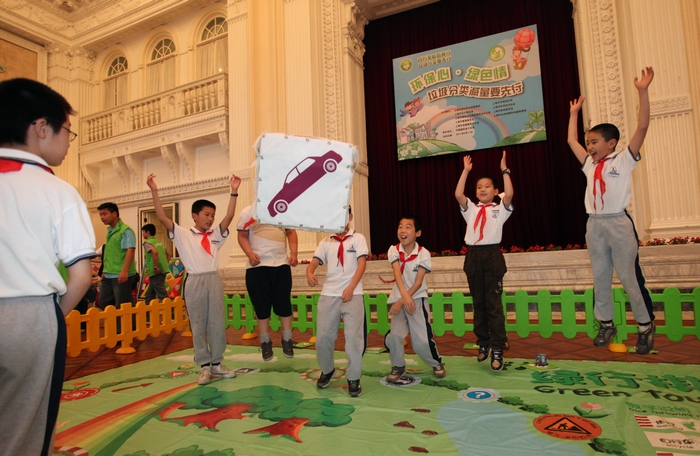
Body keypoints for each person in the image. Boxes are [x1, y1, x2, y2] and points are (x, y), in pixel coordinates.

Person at [0, 78, 96, 456]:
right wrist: (53, 315)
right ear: (41, 128)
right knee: (24, 428)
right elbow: (81, 276)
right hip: (28, 317)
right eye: (67, 130)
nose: (69, 141)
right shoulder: (58, 191)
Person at [568, 67, 656, 354]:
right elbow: (571, 141)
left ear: (611, 143)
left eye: (594, 142)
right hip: (594, 224)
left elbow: (642, 127)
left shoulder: (624, 160)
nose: (589, 146)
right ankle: (606, 324)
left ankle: (645, 326)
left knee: (629, 278)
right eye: (588, 142)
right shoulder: (589, 165)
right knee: (601, 277)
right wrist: (573, 114)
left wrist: (643, 91)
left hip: (618, 223)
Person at [147, 173, 241, 384]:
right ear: (194, 216)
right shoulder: (182, 234)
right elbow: (161, 217)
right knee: (198, 324)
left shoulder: (215, 235)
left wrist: (234, 191)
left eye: (213, 215)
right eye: (206, 214)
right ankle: (204, 366)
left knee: (217, 323)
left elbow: (229, 217)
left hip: (213, 280)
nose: (210, 219)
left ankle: (217, 363)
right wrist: (154, 191)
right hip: (195, 281)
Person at [455, 151, 514, 371]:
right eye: (479, 186)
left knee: (493, 305)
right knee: (478, 304)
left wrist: (504, 170)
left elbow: (510, 194)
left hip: (492, 256)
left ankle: (498, 347)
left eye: (487, 186)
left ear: (496, 191)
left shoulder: (500, 209)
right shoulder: (471, 209)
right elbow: (458, 194)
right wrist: (466, 171)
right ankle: (483, 342)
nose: (482, 189)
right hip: (473, 256)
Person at [306, 207, 368, 397]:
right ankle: (327, 369)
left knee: (353, 339)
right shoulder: (326, 242)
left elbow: (362, 264)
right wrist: (309, 272)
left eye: (343, 215)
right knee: (323, 338)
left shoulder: (358, 239)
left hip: (353, 294)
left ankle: (354, 377)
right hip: (329, 295)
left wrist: (350, 287)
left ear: (350, 216)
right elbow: (314, 262)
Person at [384, 214, 445, 383]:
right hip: (400, 298)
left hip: (416, 299)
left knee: (421, 341)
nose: (402, 230)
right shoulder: (393, 250)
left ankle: (436, 363)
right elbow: (397, 275)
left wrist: (403, 300)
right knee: (396, 337)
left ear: (418, 233)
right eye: (400, 226)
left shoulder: (423, 253)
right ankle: (398, 365)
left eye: (408, 227)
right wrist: (401, 300)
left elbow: (418, 282)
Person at [237, 205, 299, 361]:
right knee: (261, 305)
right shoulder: (248, 212)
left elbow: (291, 232)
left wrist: (294, 253)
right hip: (257, 266)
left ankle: (287, 338)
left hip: (281, 264)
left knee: (284, 302)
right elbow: (242, 236)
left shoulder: (282, 207)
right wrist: (250, 254)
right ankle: (265, 341)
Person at [97, 202, 138, 330]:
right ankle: (123, 327)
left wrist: (124, 270)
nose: (102, 217)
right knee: (103, 301)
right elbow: (110, 253)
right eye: (100, 214)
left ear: (114, 214)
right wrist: (105, 270)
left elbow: (130, 250)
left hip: (121, 274)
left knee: (122, 304)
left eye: (104, 214)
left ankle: (124, 332)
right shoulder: (110, 231)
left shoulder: (125, 231)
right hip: (109, 274)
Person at [141, 223, 170, 302]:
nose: (142, 234)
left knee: (162, 293)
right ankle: (148, 306)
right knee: (149, 294)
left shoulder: (147, 243)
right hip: (163, 270)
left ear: (148, 232)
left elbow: (155, 252)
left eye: (143, 232)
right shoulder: (159, 242)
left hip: (155, 272)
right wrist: (165, 264)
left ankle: (169, 308)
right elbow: (169, 254)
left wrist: (155, 267)